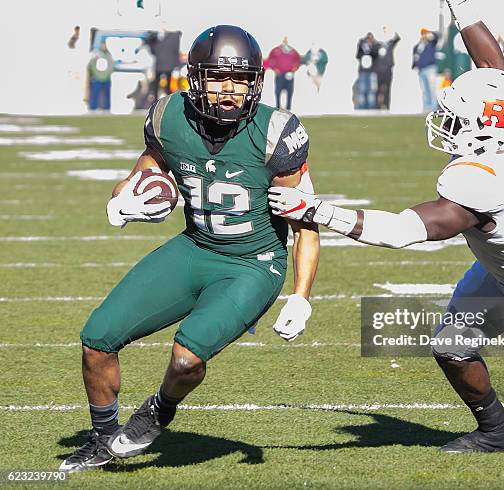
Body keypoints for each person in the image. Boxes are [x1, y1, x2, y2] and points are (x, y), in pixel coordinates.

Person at [268, 0, 504, 453]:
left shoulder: (481, 181)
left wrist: (319, 211)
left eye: (458, 120)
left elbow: (403, 230)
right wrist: (462, 5)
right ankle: (496, 434)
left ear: (485, 133)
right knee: (452, 345)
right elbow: (492, 63)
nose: (446, 124)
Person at [59, 25, 320, 472]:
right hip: (195, 246)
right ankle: (103, 439)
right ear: (195, 78)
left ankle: (160, 408)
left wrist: (301, 295)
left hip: (253, 264)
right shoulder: (167, 115)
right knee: (97, 340)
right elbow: (151, 165)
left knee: (185, 358)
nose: (229, 90)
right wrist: (126, 195)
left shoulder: (277, 132)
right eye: (218, 77)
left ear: (256, 81)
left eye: (240, 80)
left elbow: (304, 220)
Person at [146, 25, 182, 100]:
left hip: (164, 66)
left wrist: (177, 66)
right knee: (161, 87)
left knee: (165, 87)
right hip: (163, 65)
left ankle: (164, 101)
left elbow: (175, 52)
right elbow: (154, 51)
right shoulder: (172, 37)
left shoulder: (172, 37)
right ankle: (163, 101)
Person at [266, 37, 302, 110]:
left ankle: (288, 107)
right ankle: (278, 106)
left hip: (289, 75)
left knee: (289, 91)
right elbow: (270, 60)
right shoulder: (276, 50)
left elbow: (298, 61)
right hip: (279, 75)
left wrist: (294, 68)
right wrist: (274, 68)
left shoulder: (292, 51)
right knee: (278, 91)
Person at [412, 27, 439, 113]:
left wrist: (430, 35)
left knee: (431, 88)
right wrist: (414, 65)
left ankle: (433, 108)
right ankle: (427, 108)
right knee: (424, 90)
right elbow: (415, 56)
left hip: (430, 68)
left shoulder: (431, 43)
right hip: (421, 70)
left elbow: (437, 36)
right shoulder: (418, 46)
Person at [373, 27, 400, 110]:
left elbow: (397, 38)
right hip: (378, 70)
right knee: (378, 89)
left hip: (388, 70)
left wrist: (390, 29)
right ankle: (377, 107)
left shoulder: (390, 43)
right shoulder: (376, 45)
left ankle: (387, 106)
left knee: (387, 89)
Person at [87, 41, 114, 111]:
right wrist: (97, 74)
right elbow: (91, 65)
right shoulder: (96, 55)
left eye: (104, 45)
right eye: (102, 45)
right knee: (95, 94)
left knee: (107, 95)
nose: (103, 47)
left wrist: (106, 74)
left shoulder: (109, 55)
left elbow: (111, 66)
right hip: (97, 78)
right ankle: (93, 108)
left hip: (106, 78)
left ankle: (107, 109)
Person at [355, 32, 379, 110]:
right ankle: (362, 107)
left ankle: (371, 107)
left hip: (372, 71)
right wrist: (363, 46)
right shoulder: (362, 45)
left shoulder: (375, 46)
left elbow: (376, 54)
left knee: (371, 90)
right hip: (363, 71)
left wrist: (369, 49)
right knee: (362, 90)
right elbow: (358, 56)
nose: (369, 40)